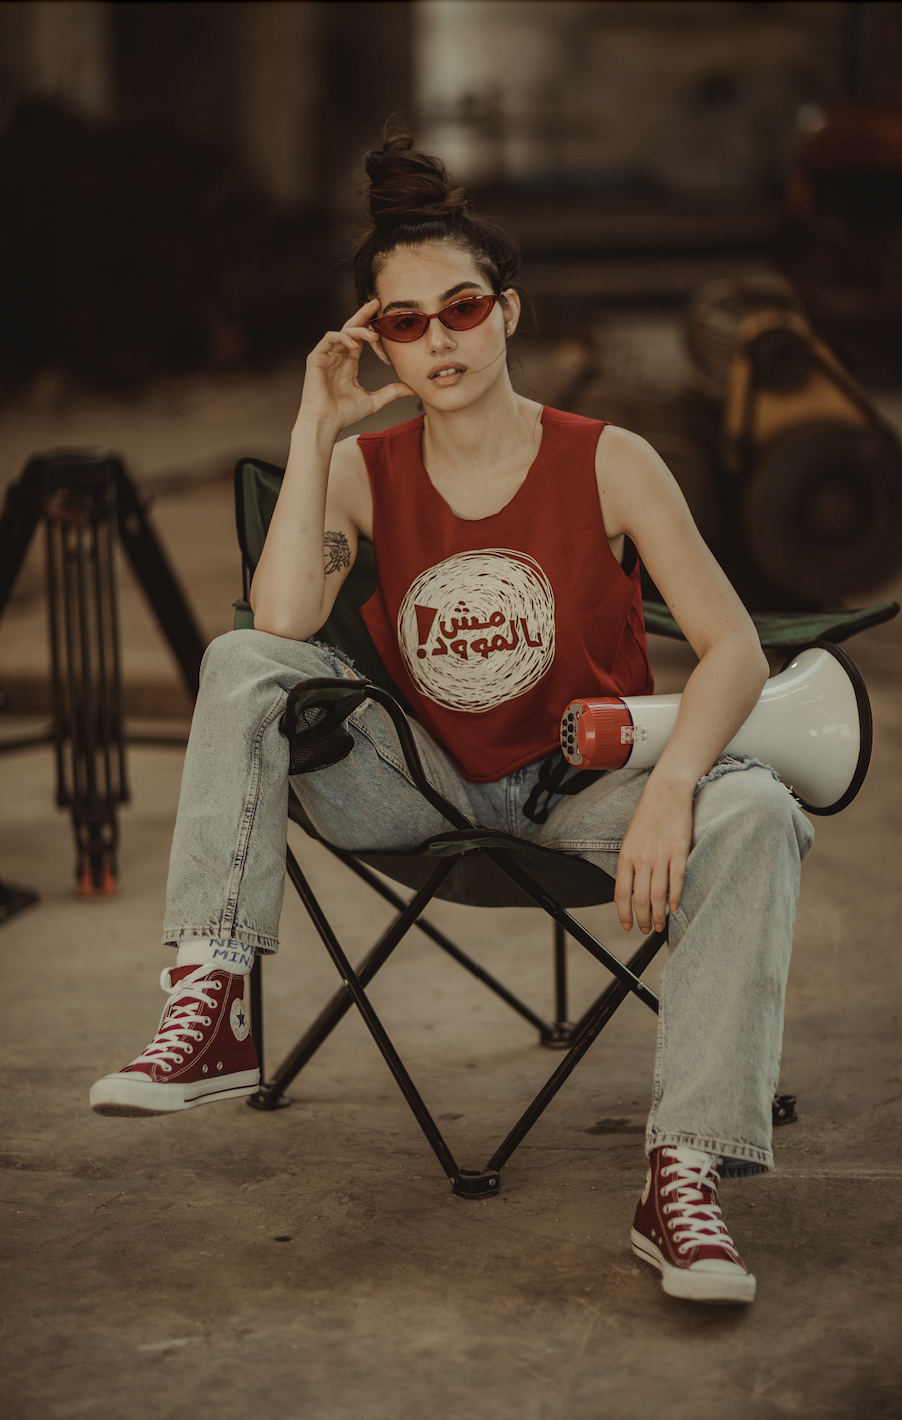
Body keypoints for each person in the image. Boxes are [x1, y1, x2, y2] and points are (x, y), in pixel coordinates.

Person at [90, 130, 813, 1307]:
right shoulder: (365, 471)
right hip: (417, 781)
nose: (439, 340)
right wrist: (314, 427)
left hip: (585, 784)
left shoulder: (610, 461)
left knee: (758, 812)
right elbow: (281, 620)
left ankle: (681, 1177)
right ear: (378, 341)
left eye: (461, 308)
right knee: (242, 659)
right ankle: (211, 1002)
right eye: (405, 322)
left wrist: (678, 782)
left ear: (506, 311)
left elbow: (731, 646)